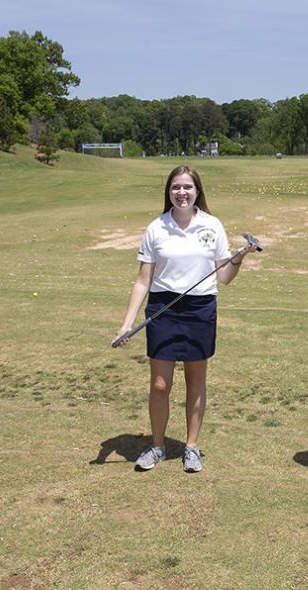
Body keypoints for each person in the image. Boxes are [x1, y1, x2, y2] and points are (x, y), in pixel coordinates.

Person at [113, 165, 257, 473]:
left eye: (187, 187)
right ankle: (157, 446)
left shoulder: (212, 225)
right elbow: (142, 280)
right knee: (160, 384)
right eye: (176, 187)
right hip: (164, 308)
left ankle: (191, 447)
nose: (182, 193)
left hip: (200, 309)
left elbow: (225, 276)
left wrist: (240, 256)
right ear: (168, 192)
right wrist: (127, 323)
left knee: (195, 380)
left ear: (197, 191)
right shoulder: (156, 228)